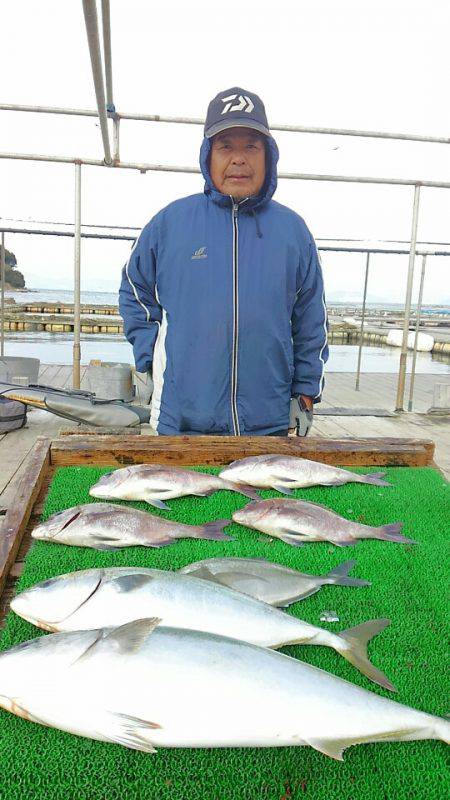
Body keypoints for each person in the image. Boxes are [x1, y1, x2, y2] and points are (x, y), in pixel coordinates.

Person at [119, 87, 328, 436]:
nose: (239, 159)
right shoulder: (170, 223)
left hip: (268, 423)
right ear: (208, 155)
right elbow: (134, 290)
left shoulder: (293, 231)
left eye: (251, 146)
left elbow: (311, 318)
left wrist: (306, 391)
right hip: (182, 420)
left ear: (268, 156)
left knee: (267, 494)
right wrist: (149, 357)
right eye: (226, 146)